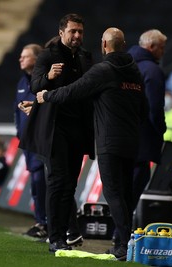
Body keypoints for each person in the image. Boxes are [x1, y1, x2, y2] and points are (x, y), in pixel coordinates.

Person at [36, 27, 147, 260]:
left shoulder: (104, 70)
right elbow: (144, 108)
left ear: (104, 45)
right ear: (124, 44)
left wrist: (46, 96)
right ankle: (122, 243)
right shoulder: (135, 72)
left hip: (110, 141)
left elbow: (73, 91)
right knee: (125, 194)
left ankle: (124, 246)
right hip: (132, 140)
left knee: (114, 193)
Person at [19, 14, 94, 252]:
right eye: (73, 31)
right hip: (54, 129)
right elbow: (34, 86)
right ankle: (56, 237)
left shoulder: (85, 57)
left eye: (80, 32)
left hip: (78, 128)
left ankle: (64, 236)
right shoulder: (48, 55)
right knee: (57, 182)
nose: (77, 36)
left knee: (70, 185)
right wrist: (49, 77)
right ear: (61, 32)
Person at [127, 29, 167, 211]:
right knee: (136, 182)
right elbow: (155, 108)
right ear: (151, 47)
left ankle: (117, 230)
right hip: (143, 139)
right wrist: (161, 130)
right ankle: (121, 234)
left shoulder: (124, 64)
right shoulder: (152, 70)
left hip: (121, 134)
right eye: (161, 48)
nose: (163, 52)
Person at [14, 43, 48, 238]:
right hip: (27, 142)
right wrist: (19, 132)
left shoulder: (43, 81)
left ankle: (46, 222)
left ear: (36, 59)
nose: (21, 59)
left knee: (40, 181)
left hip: (41, 140)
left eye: (25, 56)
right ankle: (40, 221)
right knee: (36, 184)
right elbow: (15, 111)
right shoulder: (21, 82)